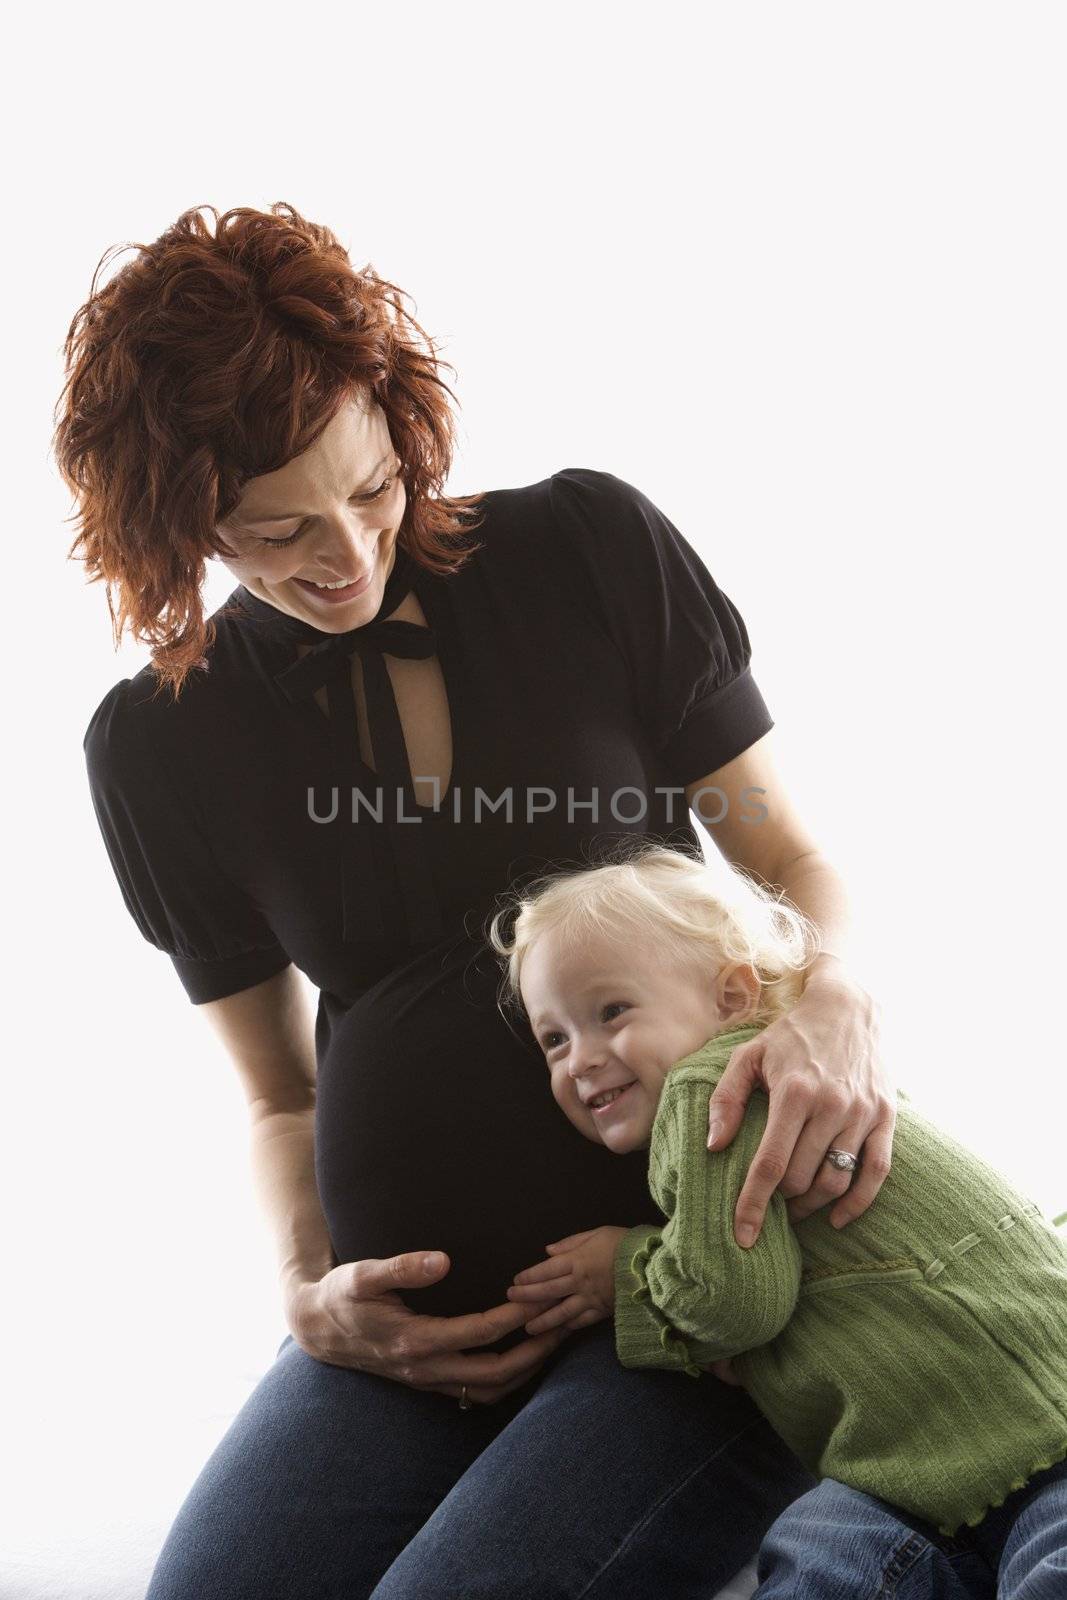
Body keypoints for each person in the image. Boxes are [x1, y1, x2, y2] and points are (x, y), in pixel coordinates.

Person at [56, 200, 895, 1599]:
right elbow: (278, 1098)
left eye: (372, 488)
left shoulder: (586, 550)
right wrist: (309, 1297)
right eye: (275, 533)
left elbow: (791, 868)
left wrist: (840, 999)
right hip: (415, 1328)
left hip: (698, 1276)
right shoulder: (158, 746)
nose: (345, 554)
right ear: (181, 525)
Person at [492, 841, 1067, 1598]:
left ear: (730, 997)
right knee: (820, 1551)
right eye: (554, 1038)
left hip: (1030, 1435)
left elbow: (732, 1301)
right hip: (922, 1472)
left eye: (611, 1012)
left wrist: (624, 1274)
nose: (581, 1059)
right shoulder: (764, 1080)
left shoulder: (709, 1088)